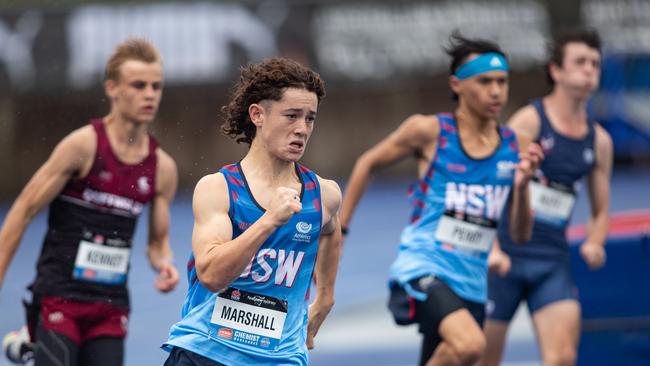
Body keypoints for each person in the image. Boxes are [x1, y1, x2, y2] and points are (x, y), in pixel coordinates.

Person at [340, 33, 543, 366]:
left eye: (502, 82)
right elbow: (367, 163)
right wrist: (341, 230)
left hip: (473, 280)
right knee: (471, 346)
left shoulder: (516, 143)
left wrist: (522, 188)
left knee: (455, 355)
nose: (496, 91)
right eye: (485, 81)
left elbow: (520, 234)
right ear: (457, 85)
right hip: (424, 266)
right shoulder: (430, 132)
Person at [0, 38, 179, 366]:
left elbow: (157, 243)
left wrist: (164, 263)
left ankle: (28, 348)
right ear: (112, 89)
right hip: (59, 296)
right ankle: (33, 342)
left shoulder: (162, 168)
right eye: (139, 86)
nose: (150, 94)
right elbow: (23, 211)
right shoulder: (83, 146)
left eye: (156, 86)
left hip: (110, 306)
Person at [163, 57, 342, 366]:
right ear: (258, 114)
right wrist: (268, 221)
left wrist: (325, 296)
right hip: (208, 351)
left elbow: (331, 231)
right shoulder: (218, 189)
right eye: (291, 116)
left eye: (310, 118)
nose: (302, 129)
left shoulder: (323, 195)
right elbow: (210, 275)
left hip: (281, 358)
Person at [481, 29, 613, 366]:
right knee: (481, 359)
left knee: (563, 358)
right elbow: (490, 185)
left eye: (595, 63)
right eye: (580, 62)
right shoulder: (529, 122)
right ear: (556, 71)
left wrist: (595, 241)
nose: (589, 70)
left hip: (551, 263)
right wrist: (492, 248)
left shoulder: (599, 141)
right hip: (503, 261)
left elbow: (600, 210)